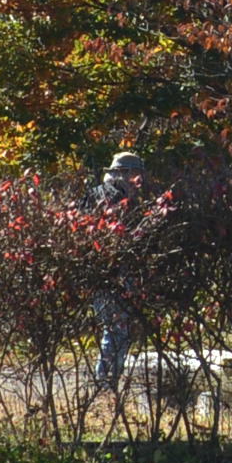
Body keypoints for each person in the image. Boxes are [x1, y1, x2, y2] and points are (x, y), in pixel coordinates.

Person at [88, 146, 150, 395]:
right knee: (116, 330)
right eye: (135, 174)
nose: (139, 181)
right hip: (112, 275)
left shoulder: (97, 194)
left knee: (113, 329)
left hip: (99, 274)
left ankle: (107, 382)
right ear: (124, 174)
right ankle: (105, 383)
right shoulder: (114, 198)